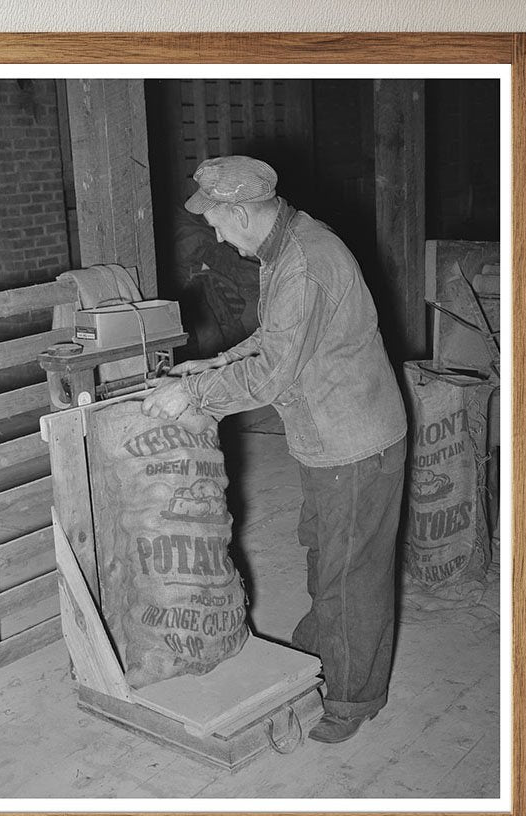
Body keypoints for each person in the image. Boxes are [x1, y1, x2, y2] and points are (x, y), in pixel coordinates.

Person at [142, 155, 408, 744]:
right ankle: (326, 650)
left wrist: (193, 394)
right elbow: (276, 338)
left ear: (240, 212)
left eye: (216, 222)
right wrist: (212, 363)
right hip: (330, 439)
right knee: (324, 553)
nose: (215, 234)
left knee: (349, 574)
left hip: (353, 444)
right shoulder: (287, 247)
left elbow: (270, 377)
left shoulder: (305, 264)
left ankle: (352, 697)